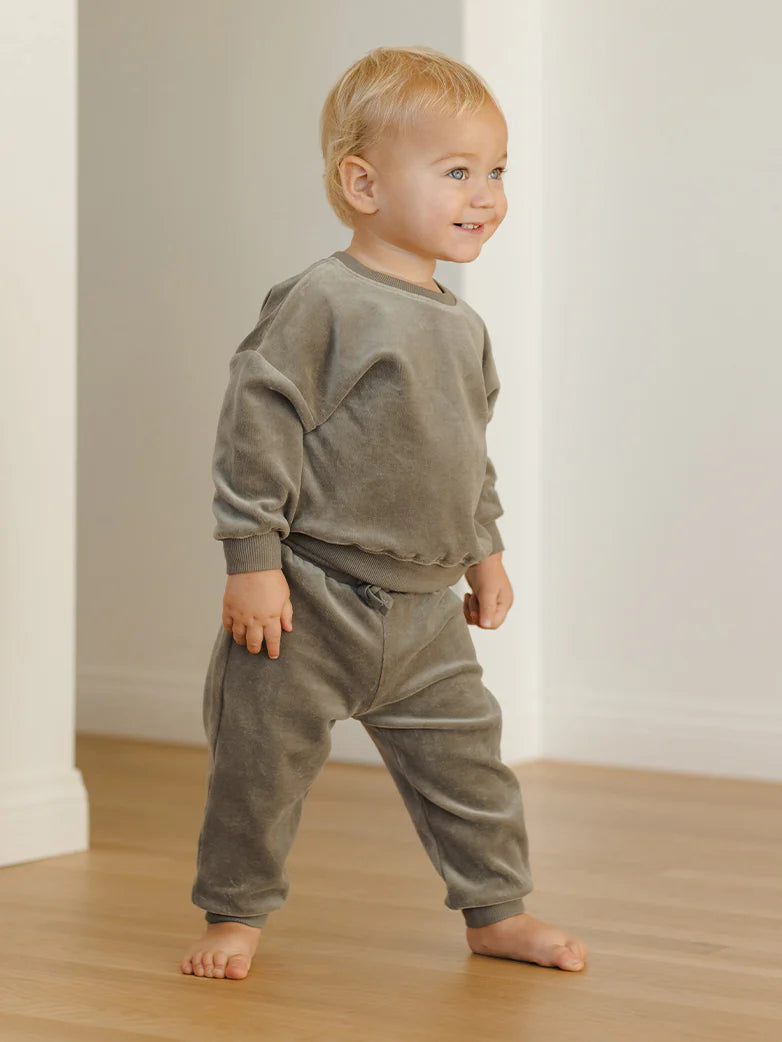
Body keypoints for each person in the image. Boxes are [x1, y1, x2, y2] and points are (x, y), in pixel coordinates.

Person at [181, 44, 588, 981]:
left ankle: (497, 911)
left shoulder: (463, 326)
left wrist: (485, 551)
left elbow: (465, 456)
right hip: (310, 603)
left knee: (471, 769)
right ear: (363, 184)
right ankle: (234, 915)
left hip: (425, 616)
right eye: (458, 172)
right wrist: (252, 560)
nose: (486, 195)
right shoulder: (323, 301)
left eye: (497, 172)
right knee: (258, 769)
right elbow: (257, 425)